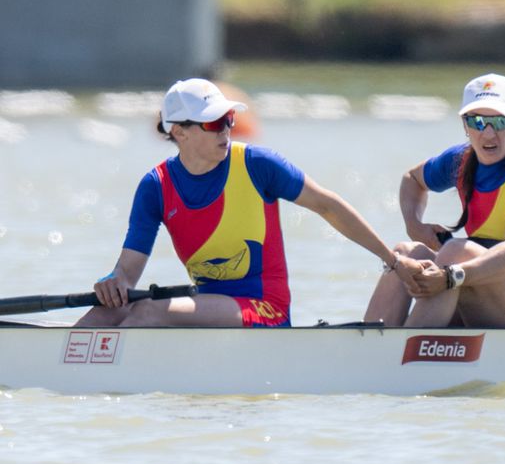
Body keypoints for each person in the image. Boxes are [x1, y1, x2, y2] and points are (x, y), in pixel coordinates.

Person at [75, 78, 417, 327]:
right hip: (208, 306)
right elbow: (128, 272)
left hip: (265, 308)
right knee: (112, 311)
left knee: (147, 311)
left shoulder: (258, 165)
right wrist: (115, 282)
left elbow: (328, 206)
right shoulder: (156, 186)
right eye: (213, 122)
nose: (226, 130)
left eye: (228, 120)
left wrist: (393, 260)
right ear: (179, 132)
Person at [364, 72, 505, 328]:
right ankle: (372, 346)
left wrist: (451, 276)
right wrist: (414, 224)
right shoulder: (459, 161)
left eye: (501, 121)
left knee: (456, 251)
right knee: (406, 254)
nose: (489, 134)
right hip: (478, 293)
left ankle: (400, 353)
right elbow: (412, 180)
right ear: (465, 124)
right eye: (478, 121)